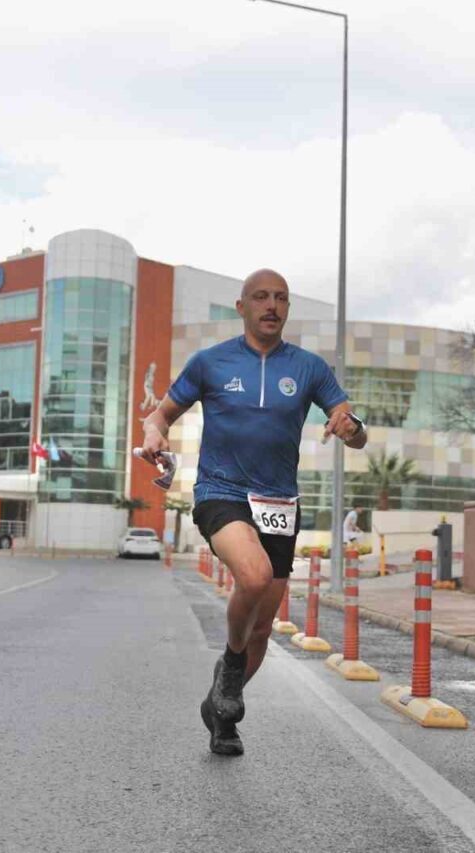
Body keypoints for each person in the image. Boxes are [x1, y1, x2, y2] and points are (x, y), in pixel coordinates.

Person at [140, 268, 368, 757]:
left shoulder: (309, 368)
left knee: (263, 627)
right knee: (255, 575)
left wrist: (351, 426)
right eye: (261, 297)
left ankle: (223, 707)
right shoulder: (210, 362)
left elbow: (351, 425)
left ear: (287, 309)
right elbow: (160, 415)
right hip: (220, 490)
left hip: (279, 502)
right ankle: (230, 664)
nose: (271, 306)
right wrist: (154, 433)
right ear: (241, 307)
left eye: (281, 298)